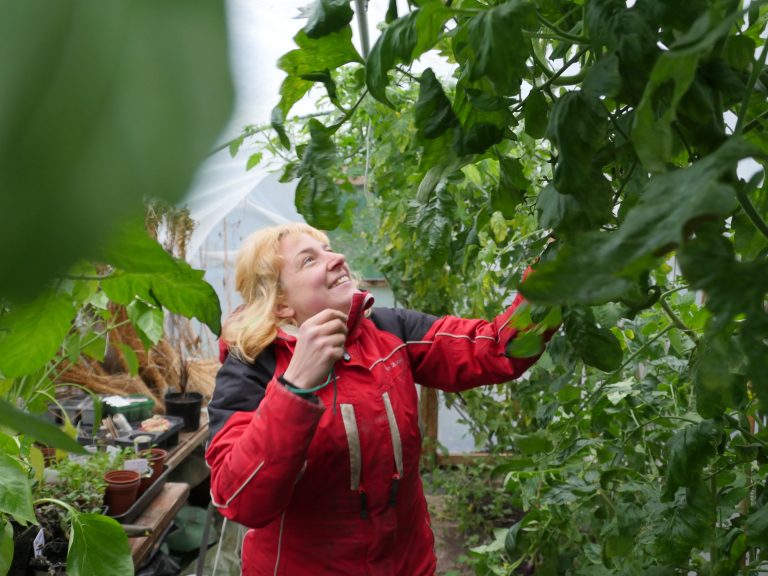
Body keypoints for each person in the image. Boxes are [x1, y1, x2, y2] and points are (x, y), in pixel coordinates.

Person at [205, 222, 554, 576]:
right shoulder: (252, 366)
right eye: (309, 260)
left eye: (328, 249)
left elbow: (496, 349)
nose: (336, 258)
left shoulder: (388, 330)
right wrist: (294, 387)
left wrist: (556, 268)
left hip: (406, 564)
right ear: (280, 303)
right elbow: (239, 499)